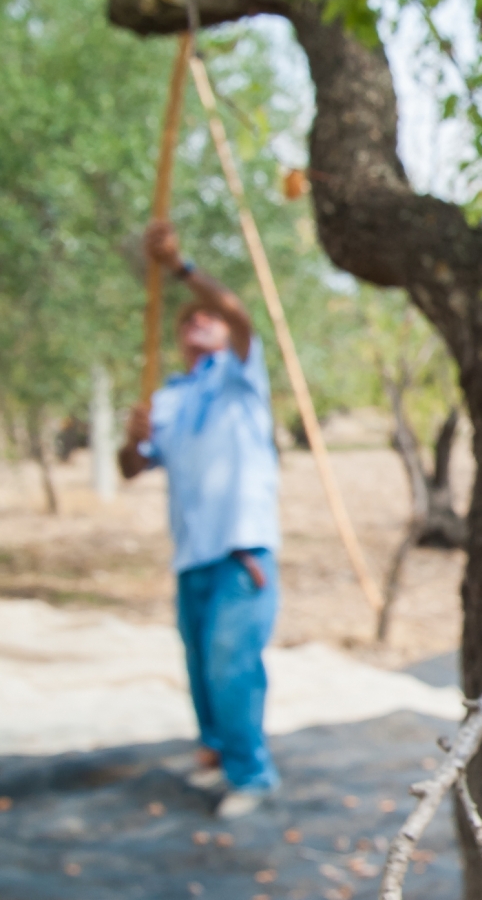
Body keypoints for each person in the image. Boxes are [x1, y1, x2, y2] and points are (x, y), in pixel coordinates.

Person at [119, 221, 281, 819]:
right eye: (188, 320)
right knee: (200, 665)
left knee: (231, 663)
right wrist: (131, 441)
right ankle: (217, 758)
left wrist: (179, 266)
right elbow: (133, 468)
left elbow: (237, 312)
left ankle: (253, 775)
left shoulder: (240, 377)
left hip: (242, 548)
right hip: (191, 555)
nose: (199, 323)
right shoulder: (168, 398)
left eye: (204, 316)